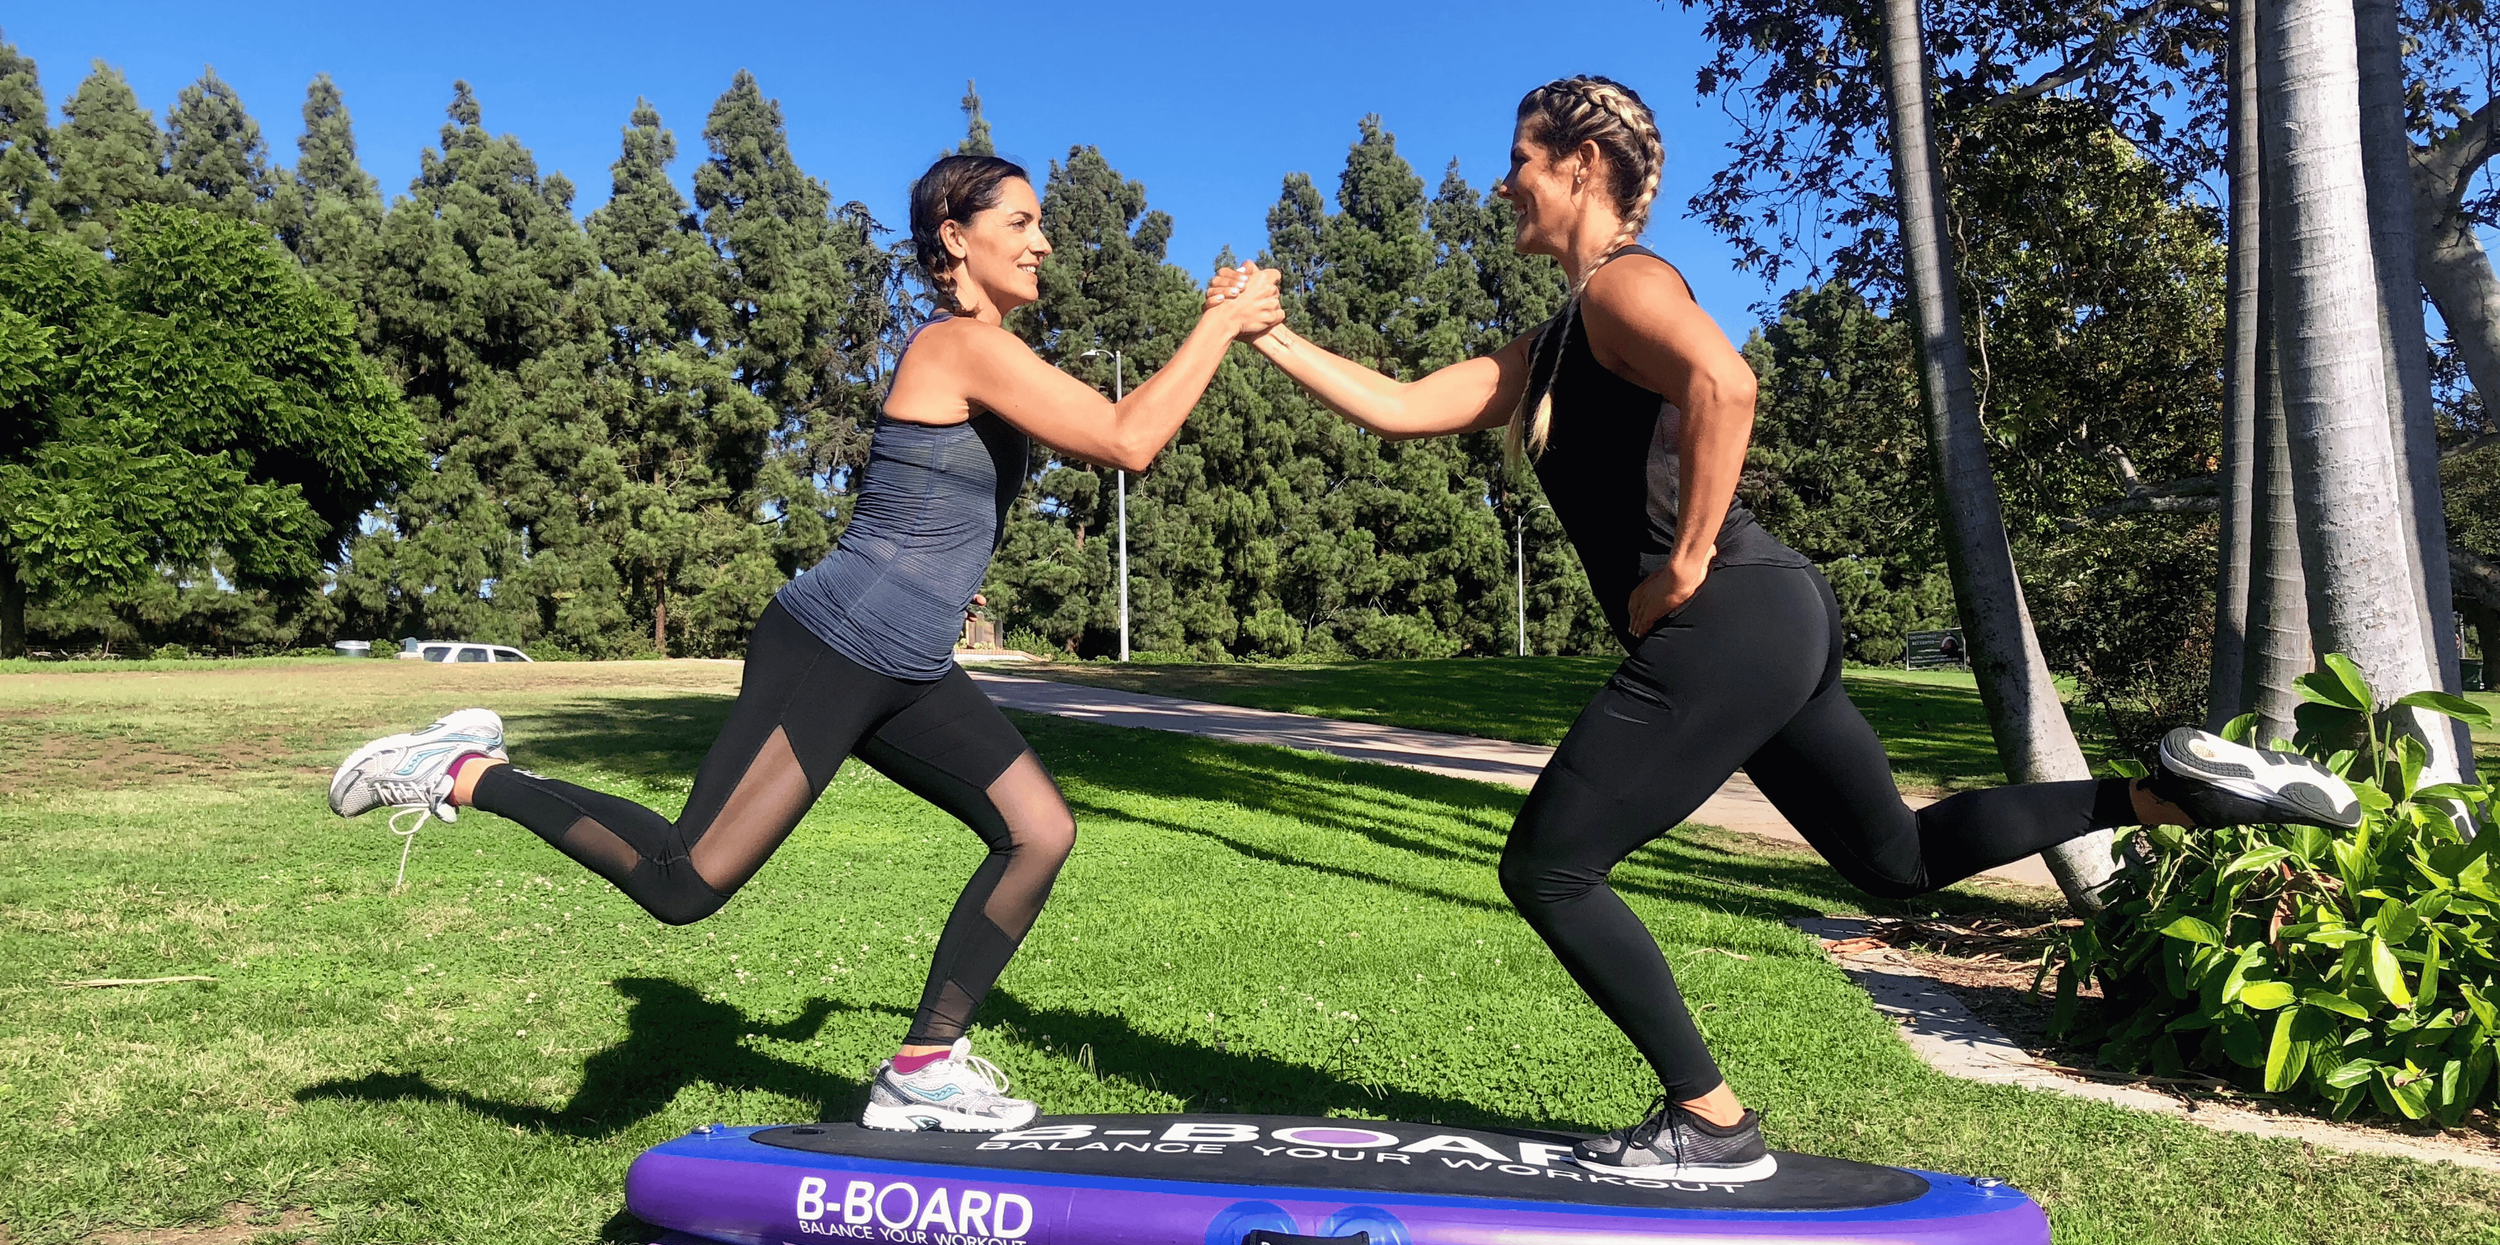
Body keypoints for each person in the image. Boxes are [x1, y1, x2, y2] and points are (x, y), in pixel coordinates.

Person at [1216, 75, 2359, 1182]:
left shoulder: (1623, 288)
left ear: (1582, 164)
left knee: (1551, 866)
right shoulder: (1560, 334)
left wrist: (1685, 561)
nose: (1502, 184)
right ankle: (2154, 792)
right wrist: (1260, 333)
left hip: (1733, 612)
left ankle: (1707, 1117)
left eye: (1520, 161)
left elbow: (1728, 383)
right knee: (1896, 861)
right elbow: (1408, 407)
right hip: (1774, 619)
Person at [330, 153, 1284, 1135]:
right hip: (834, 644)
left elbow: (1012, 465)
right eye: (1023, 221)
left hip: (907, 665)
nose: (1043, 242)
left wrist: (1210, 327)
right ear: (956, 237)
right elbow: (1129, 436)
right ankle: (462, 768)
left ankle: (924, 1065)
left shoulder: (995, 355)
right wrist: (1217, 323)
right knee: (684, 882)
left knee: (1039, 831)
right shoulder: (957, 346)